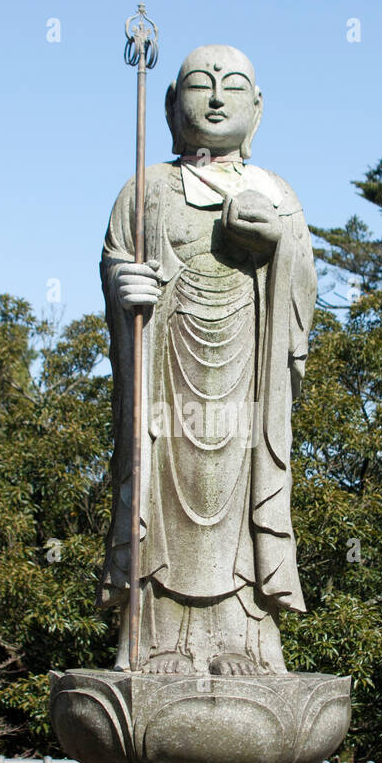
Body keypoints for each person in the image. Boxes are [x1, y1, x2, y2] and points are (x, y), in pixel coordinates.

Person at [99, 44, 317, 676]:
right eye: (201, 84)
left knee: (242, 492)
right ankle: (150, 636)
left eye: (233, 87)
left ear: (258, 108)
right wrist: (125, 289)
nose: (217, 98)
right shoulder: (145, 190)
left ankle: (246, 637)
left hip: (247, 389)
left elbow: (303, 293)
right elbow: (119, 263)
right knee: (158, 487)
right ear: (171, 104)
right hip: (165, 383)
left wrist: (278, 246)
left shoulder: (275, 194)